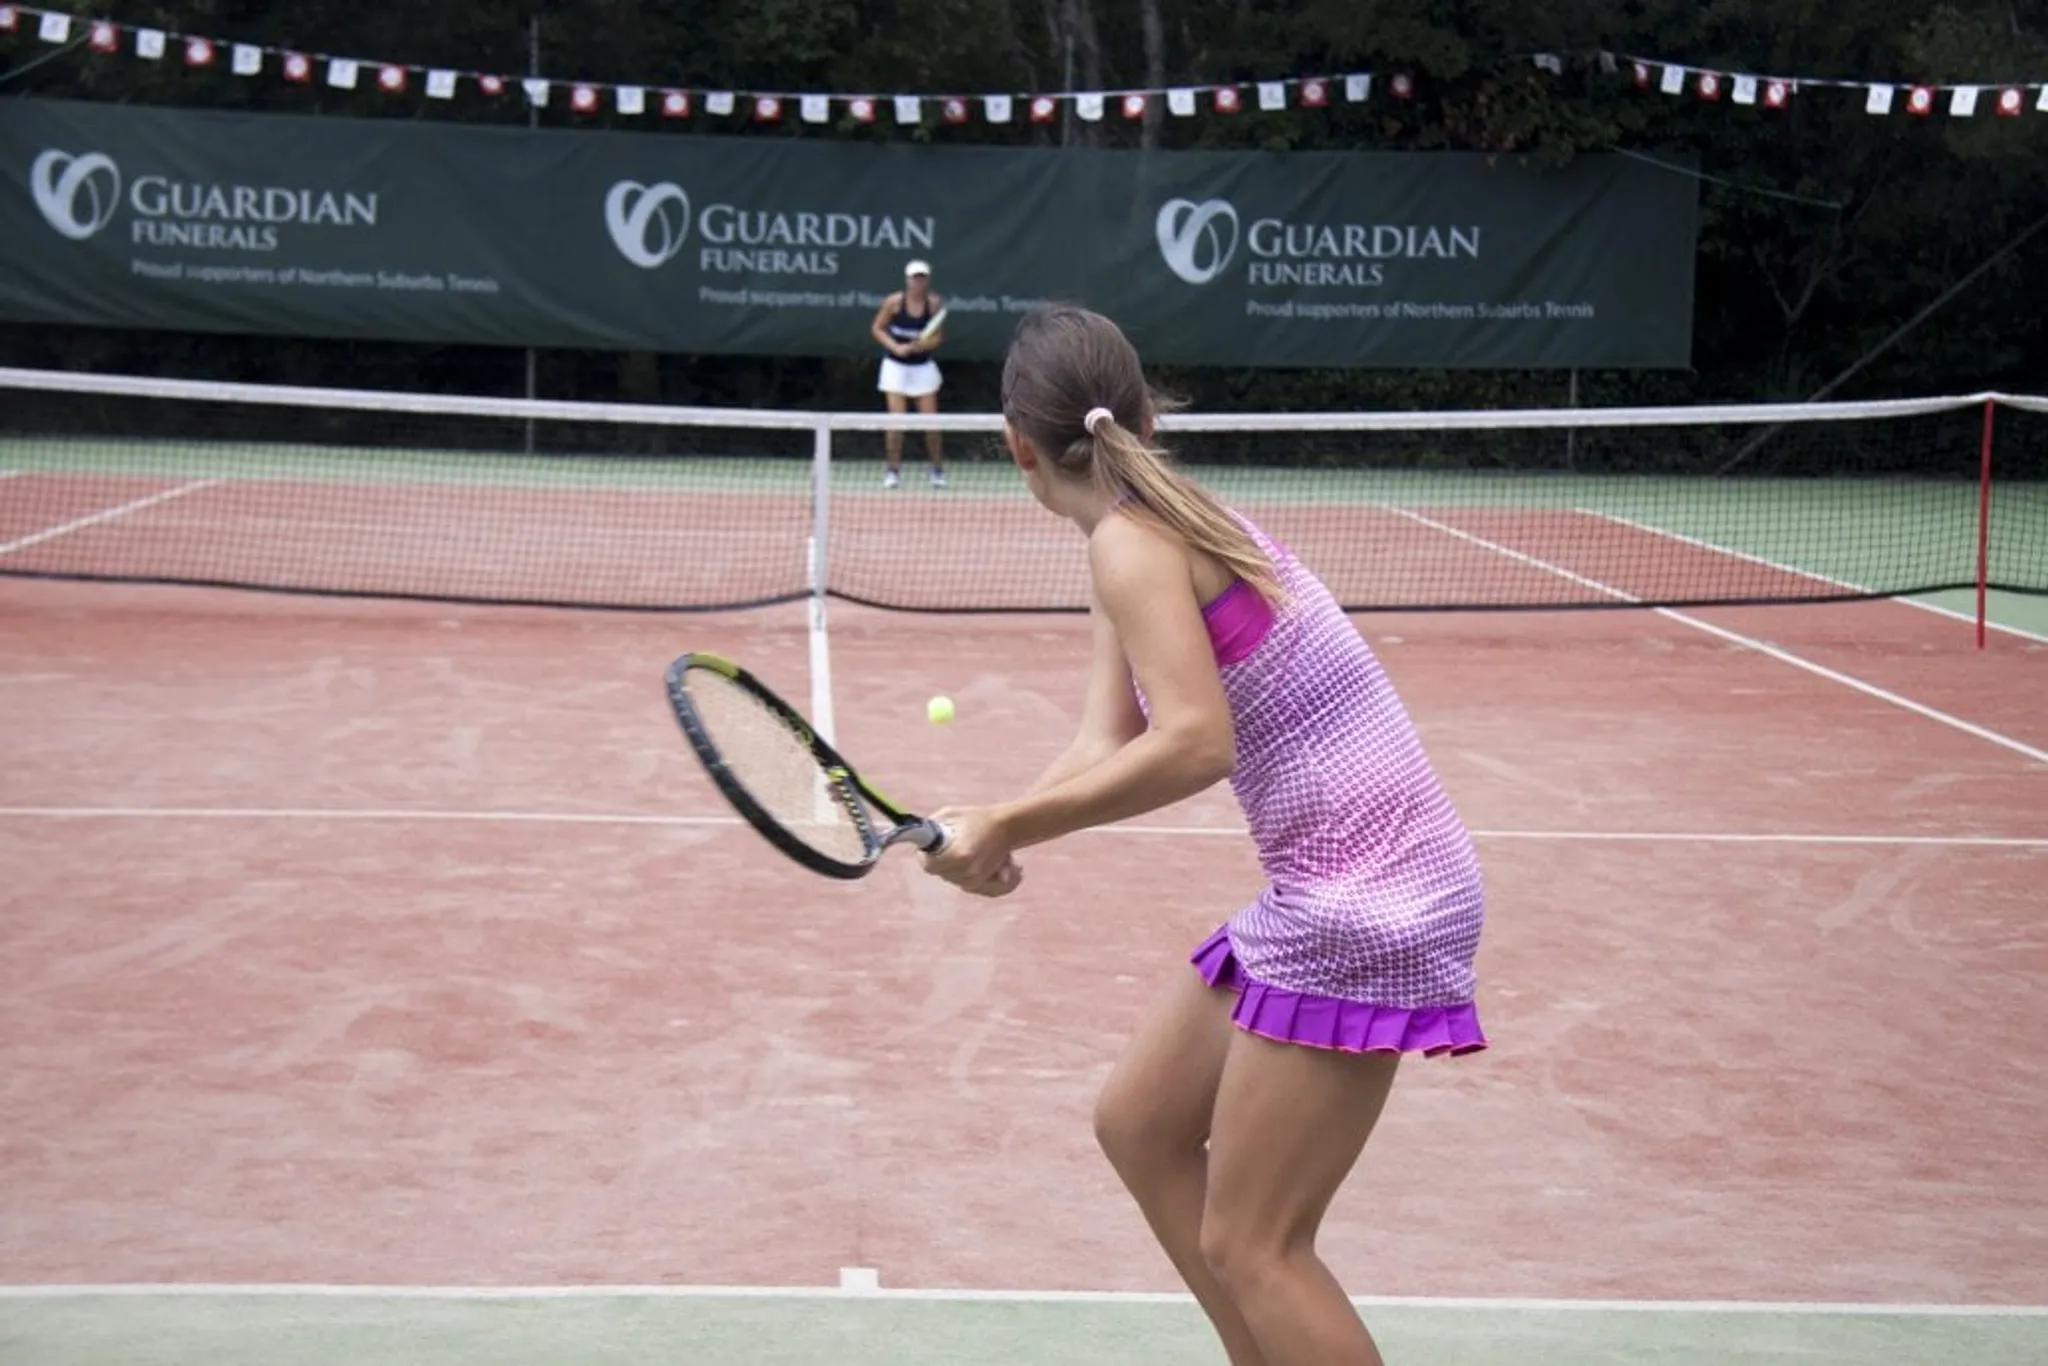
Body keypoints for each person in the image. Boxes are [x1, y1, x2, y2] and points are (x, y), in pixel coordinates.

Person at [918, 305, 1488, 1366]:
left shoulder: (1136, 544)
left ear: (1017, 447)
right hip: (1363, 880)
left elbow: (1195, 743)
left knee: (1254, 1242)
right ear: (1135, 411)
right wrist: (997, 826)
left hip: (1365, 897)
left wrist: (1012, 820)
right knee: (1139, 1124)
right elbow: (1107, 736)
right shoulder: (1140, 529)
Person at [869, 258, 947, 489]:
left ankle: (936, 470)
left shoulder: (933, 304)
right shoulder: (893, 303)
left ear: (927, 280)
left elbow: (938, 336)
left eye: (922, 277)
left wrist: (924, 345)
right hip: (895, 368)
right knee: (896, 422)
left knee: (931, 424)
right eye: (915, 278)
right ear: (907, 280)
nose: (918, 282)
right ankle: (892, 471)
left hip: (923, 368)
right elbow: (876, 328)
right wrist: (896, 348)